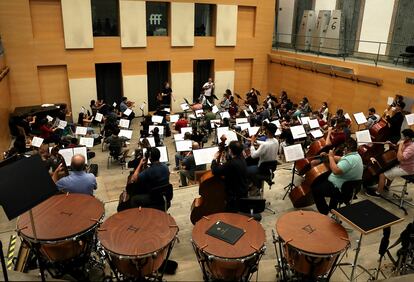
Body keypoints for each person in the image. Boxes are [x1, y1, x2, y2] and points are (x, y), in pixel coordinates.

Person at [312, 138, 363, 215]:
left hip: (341, 189)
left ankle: (324, 212)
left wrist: (331, 157)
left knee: (315, 189)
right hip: (346, 186)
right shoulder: (356, 155)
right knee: (322, 180)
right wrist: (327, 156)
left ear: (346, 148)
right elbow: (340, 159)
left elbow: (335, 171)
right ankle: (333, 209)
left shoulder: (349, 160)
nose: (343, 151)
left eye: (344, 149)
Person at [367, 129, 414, 197]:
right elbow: (397, 149)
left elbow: (400, 158)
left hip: (406, 169)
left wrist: (400, 146)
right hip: (402, 164)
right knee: (388, 168)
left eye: (403, 136)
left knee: (382, 175)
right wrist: (391, 144)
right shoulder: (406, 142)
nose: (401, 137)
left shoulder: (411, 147)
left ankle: (377, 193)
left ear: (407, 137)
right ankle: (387, 186)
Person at [211, 141, 248, 212]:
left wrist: (214, 159)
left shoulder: (231, 163)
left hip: (234, 197)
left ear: (230, 150)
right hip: (243, 190)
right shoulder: (242, 159)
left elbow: (215, 171)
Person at [248, 123, 279, 187]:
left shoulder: (264, 145)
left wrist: (251, 144)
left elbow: (253, 156)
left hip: (262, 168)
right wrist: (255, 141)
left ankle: (257, 186)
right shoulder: (276, 141)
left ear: (267, 131)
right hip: (271, 167)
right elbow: (267, 143)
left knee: (246, 169)